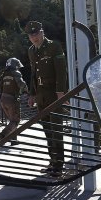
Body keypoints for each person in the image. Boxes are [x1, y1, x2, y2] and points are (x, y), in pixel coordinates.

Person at [26, 20, 69, 176]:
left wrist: (60, 93)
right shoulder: (31, 51)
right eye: (31, 35)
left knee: (56, 129)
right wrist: (31, 94)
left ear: (42, 32)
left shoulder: (53, 47)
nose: (34, 37)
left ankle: (59, 164)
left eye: (36, 33)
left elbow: (61, 71)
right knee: (47, 130)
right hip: (41, 94)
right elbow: (33, 73)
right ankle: (52, 161)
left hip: (53, 93)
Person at [0, 57, 27, 143]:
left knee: (12, 120)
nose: (18, 68)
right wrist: (27, 91)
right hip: (12, 100)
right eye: (17, 66)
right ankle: (3, 134)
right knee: (15, 120)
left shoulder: (4, 74)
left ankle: (14, 139)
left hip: (3, 99)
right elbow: (22, 84)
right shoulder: (16, 73)